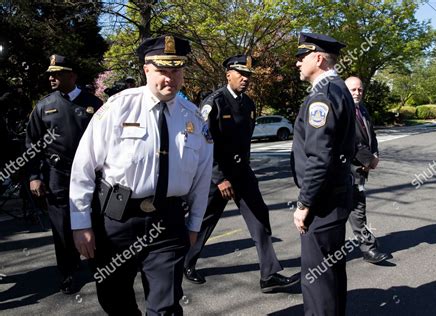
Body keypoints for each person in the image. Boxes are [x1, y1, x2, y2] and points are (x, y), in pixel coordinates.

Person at [69, 35, 213, 315]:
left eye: (176, 70)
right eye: (162, 70)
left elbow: (202, 177)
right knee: (114, 299)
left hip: (168, 223)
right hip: (117, 218)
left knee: (166, 305)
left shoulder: (193, 118)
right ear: (146, 69)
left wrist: (194, 224)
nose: (169, 78)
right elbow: (84, 166)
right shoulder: (118, 107)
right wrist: (81, 223)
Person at [183, 54, 299, 293]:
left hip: (242, 173)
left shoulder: (249, 104)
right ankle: (184, 263)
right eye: (241, 74)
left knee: (260, 217)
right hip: (217, 176)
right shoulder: (213, 103)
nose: (245, 79)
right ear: (228, 75)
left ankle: (269, 275)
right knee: (203, 222)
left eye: (248, 76)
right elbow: (205, 143)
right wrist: (219, 178)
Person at [25, 54, 103, 294]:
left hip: (92, 175)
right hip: (58, 175)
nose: (52, 77)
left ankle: (99, 265)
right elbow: (32, 145)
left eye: (57, 73)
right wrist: (34, 176)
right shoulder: (44, 106)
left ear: (72, 76)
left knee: (96, 221)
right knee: (62, 227)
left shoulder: (93, 103)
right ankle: (68, 272)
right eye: (50, 74)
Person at [291, 33, 355, 315]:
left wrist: (304, 204)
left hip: (323, 202)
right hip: (336, 195)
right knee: (331, 274)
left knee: (317, 280)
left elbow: (319, 158)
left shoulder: (323, 96)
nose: (297, 64)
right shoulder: (339, 88)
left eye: (301, 57)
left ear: (318, 58)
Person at [344, 76, 389, 264]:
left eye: (360, 90)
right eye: (353, 90)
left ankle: (368, 248)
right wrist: (369, 160)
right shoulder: (342, 110)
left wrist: (375, 154)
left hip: (361, 170)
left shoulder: (362, 108)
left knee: (358, 208)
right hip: (347, 169)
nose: (357, 93)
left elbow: (371, 135)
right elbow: (351, 139)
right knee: (344, 210)